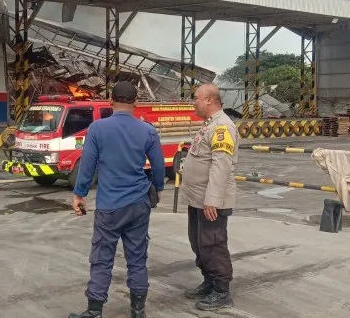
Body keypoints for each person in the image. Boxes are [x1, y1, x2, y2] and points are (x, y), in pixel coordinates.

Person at [68, 81, 165, 318]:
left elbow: (87, 166)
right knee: (137, 258)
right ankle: (138, 311)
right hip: (139, 204)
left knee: (102, 258)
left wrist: (80, 194)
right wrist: (158, 188)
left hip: (109, 206)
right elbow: (159, 165)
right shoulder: (147, 130)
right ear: (136, 103)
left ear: (111, 101)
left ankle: (94, 311)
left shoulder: (97, 129)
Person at [179, 83, 239, 311]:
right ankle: (209, 281)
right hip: (198, 199)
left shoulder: (223, 127)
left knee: (212, 244)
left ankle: (222, 291)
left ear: (209, 100)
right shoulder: (210, 125)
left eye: (196, 98)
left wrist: (212, 199)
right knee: (198, 242)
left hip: (211, 201)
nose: (193, 101)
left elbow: (221, 165)